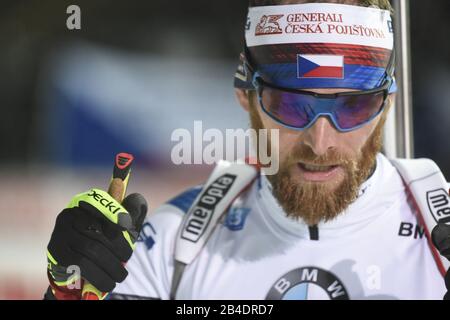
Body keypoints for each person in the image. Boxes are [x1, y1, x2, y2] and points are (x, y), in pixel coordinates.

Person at [45, 0, 450, 300]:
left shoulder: (441, 238)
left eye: (353, 106)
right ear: (245, 94)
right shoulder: (173, 241)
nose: (321, 141)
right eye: (292, 105)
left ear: (388, 102)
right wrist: (66, 291)